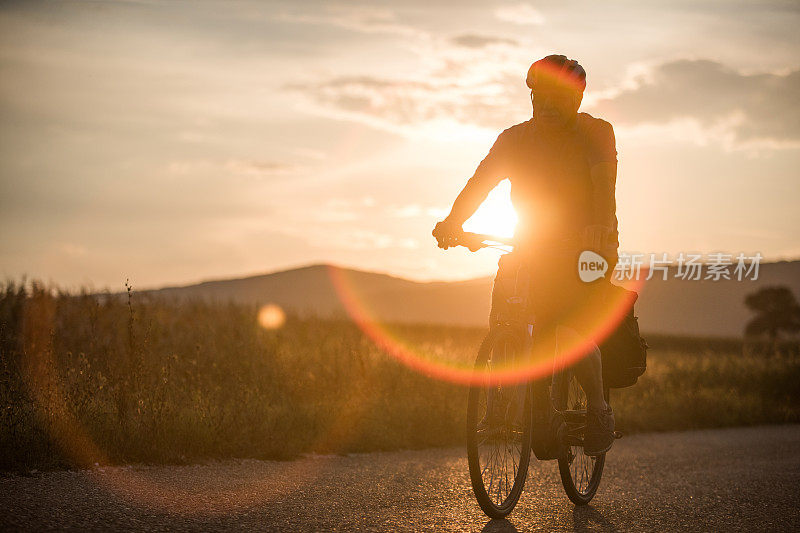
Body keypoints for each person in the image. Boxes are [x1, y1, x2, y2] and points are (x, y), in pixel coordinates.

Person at [432, 55, 618, 455]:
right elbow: (480, 183)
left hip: (589, 247)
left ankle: (599, 409)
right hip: (532, 244)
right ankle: (508, 405)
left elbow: (605, 187)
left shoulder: (595, 133)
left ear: (577, 99)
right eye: (538, 98)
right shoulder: (514, 139)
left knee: (566, 326)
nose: (546, 107)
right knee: (507, 313)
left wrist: (600, 232)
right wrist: (453, 222)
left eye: (557, 98)